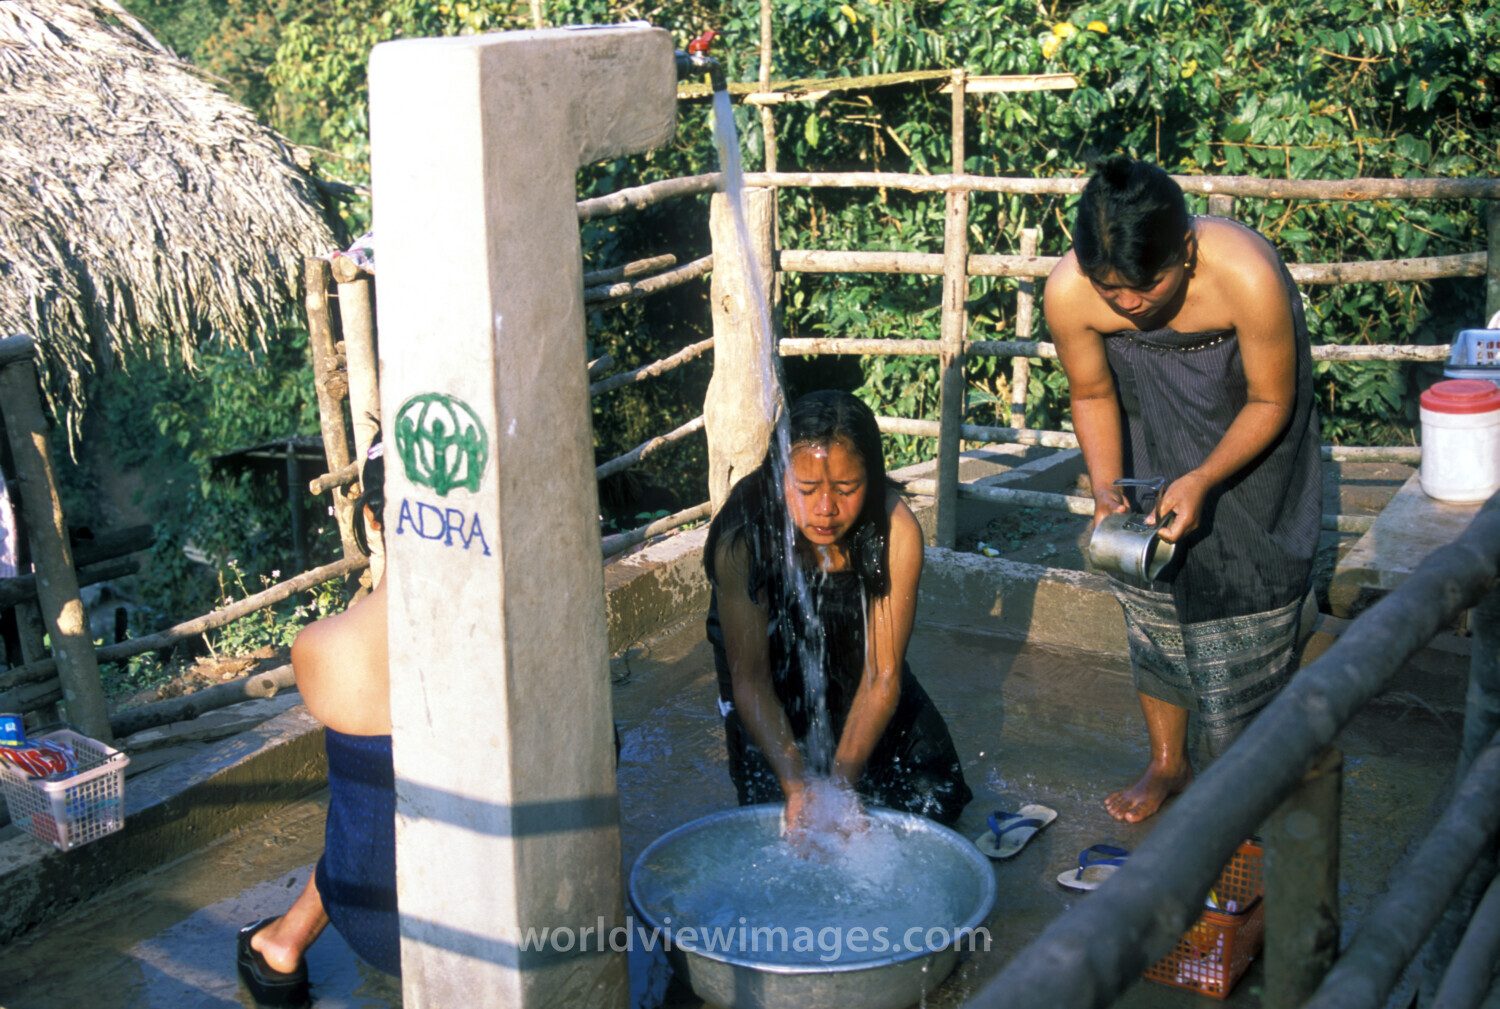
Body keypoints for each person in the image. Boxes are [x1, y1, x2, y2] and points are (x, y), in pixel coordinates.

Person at [1044, 156, 1322, 823]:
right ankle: (1170, 761)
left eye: (1148, 284)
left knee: (1240, 592)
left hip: (1248, 431)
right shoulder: (1069, 291)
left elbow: (1271, 397)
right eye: (1112, 291)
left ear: (1187, 250)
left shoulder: (1246, 273)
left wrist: (1202, 477)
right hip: (1145, 428)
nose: (1131, 303)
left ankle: (1243, 780)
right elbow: (1090, 390)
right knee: (1147, 588)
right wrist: (1108, 489)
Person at [705, 390, 972, 837]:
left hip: (857, 661)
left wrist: (839, 787)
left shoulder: (896, 532)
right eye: (805, 489)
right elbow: (750, 679)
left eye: (846, 489)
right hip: (766, 672)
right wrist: (795, 787)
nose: (825, 509)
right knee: (772, 827)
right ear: (778, 478)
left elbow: (882, 676)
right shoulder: (744, 537)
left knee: (932, 800)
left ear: (872, 478)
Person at [236, 441, 397, 1004]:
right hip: (538, 907)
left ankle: (283, 942)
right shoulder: (529, 635)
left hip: (384, 926)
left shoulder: (322, 647)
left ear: (372, 521)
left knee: (372, 798)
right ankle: (283, 939)